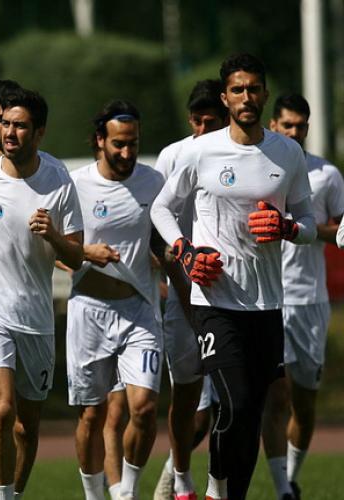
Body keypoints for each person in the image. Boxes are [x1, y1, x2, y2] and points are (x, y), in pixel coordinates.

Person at [151, 53, 316, 500]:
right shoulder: (200, 151)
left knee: (250, 416)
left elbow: (307, 222)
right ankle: (214, 489)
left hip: (267, 304)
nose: (247, 97)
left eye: (254, 89)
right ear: (225, 97)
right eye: (237, 89)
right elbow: (161, 208)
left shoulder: (287, 153)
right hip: (214, 302)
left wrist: (287, 228)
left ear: (264, 94)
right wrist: (185, 251)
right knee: (234, 402)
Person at [0, 88, 83, 500]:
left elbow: (76, 256)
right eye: (5, 123)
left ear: (39, 133)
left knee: (26, 426)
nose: (9, 132)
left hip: (35, 316)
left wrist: (52, 235)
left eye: (20, 126)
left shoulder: (58, 180)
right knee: (0, 407)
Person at [66, 101, 164, 500]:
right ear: (99, 141)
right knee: (92, 415)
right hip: (89, 311)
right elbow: (55, 249)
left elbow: (163, 241)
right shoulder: (74, 185)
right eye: (118, 144)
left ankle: (127, 493)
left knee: (144, 407)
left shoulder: (153, 182)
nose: (126, 152)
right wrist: (87, 253)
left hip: (139, 310)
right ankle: (94, 495)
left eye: (133, 144)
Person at [260, 94, 344, 500]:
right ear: (274, 125)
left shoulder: (327, 175)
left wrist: (301, 228)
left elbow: (341, 231)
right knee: (276, 396)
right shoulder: (259, 167)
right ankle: (282, 489)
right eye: (288, 125)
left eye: (301, 126)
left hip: (310, 301)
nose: (295, 132)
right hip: (267, 300)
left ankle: (291, 477)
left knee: (305, 404)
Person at [152, 79, 230, 500]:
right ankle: (180, 480)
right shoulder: (173, 156)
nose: (202, 130)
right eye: (196, 122)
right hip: (184, 297)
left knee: (229, 403)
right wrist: (180, 288)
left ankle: (216, 485)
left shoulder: (242, 154)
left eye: (210, 122)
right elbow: (159, 231)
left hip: (231, 297)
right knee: (187, 400)